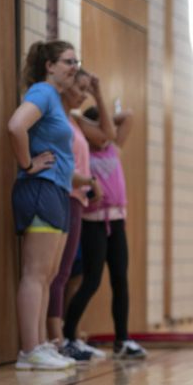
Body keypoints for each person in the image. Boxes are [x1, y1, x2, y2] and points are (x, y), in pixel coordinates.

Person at [7, 40, 79, 370]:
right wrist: (27, 165)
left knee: (47, 274)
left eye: (76, 61)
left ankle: (39, 347)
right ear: (49, 66)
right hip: (40, 187)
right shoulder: (42, 91)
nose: (74, 66)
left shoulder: (57, 101)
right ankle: (29, 350)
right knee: (35, 273)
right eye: (67, 61)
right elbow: (16, 125)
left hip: (57, 190)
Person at [62, 98, 148, 360]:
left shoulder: (113, 147)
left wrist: (103, 122)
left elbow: (129, 115)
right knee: (92, 280)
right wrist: (87, 123)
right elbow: (77, 120)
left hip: (117, 222)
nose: (104, 134)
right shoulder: (83, 152)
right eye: (97, 130)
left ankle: (122, 339)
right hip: (93, 223)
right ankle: (68, 336)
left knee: (120, 280)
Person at [48, 69, 107, 362]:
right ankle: (57, 340)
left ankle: (66, 337)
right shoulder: (58, 119)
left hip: (75, 200)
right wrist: (88, 182)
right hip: (66, 195)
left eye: (87, 89)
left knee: (70, 272)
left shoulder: (73, 120)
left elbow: (108, 135)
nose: (83, 94)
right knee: (57, 273)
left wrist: (98, 94)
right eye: (80, 87)